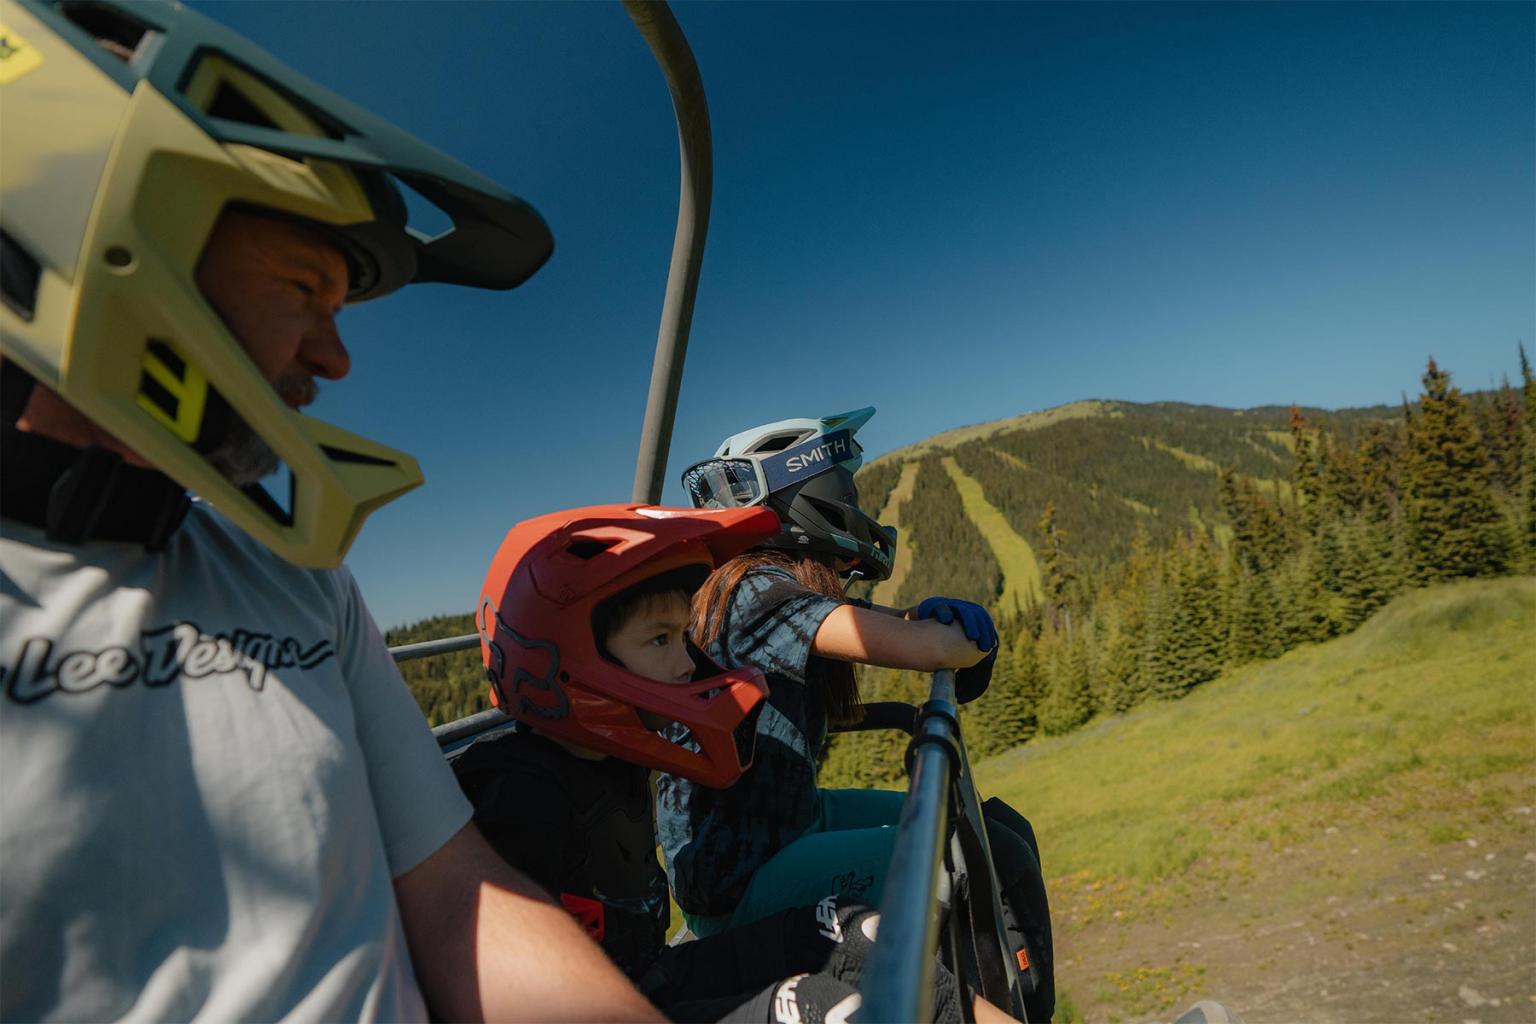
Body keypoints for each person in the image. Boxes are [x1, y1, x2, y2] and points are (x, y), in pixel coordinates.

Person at [0, 2, 659, 1020]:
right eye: (306, 287)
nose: (336, 356)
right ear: (103, 230)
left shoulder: (289, 569)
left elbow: (455, 900)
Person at [453, 503, 987, 1023]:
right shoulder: (516, 800)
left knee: (854, 931)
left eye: (683, 635)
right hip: (615, 1003)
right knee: (823, 1010)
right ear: (570, 656)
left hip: (652, 974)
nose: (688, 663)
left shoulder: (614, 758)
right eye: (660, 639)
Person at [658, 407, 1056, 1021]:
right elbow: (926, 649)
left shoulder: (760, 584)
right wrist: (969, 635)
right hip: (743, 879)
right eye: (848, 488)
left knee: (986, 828)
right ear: (819, 498)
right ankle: (1018, 1013)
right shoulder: (758, 590)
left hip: (781, 829)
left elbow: (889, 625)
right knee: (972, 859)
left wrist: (923, 618)